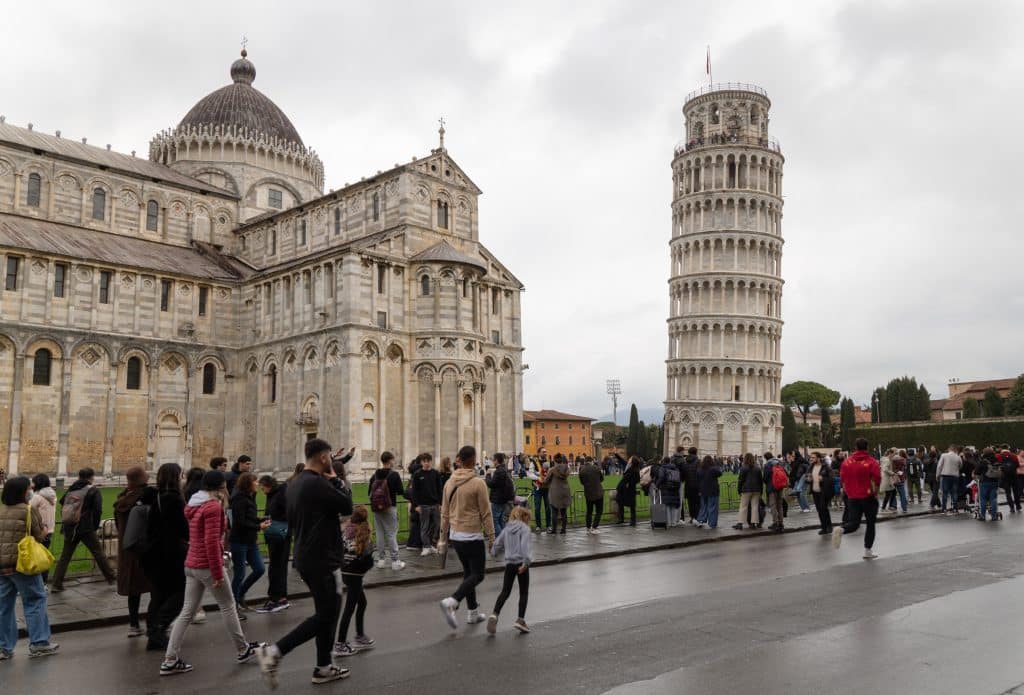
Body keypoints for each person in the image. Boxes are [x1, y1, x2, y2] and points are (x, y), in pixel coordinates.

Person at [257, 438, 354, 687]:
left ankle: (323, 667)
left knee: (327, 612)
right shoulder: (316, 483)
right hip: (322, 557)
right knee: (326, 615)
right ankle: (275, 652)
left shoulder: (296, 483)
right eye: (330, 457)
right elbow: (346, 505)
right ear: (323, 457)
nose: (331, 461)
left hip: (306, 554)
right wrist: (334, 478)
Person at [160, 470, 263, 676]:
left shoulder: (194, 504)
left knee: (187, 611)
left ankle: (170, 659)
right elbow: (210, 541)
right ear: (220, 487)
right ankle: (242, 649)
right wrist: (217, 573)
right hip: (206, 565)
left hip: (191, 563)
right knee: (228, 606)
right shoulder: (213, 507)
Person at [0, 475, 59, 660]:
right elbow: (39, 536)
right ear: (22, 492)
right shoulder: (28, 510)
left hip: (2, 566)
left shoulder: (1, 511)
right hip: (22, 564)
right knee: (35, 600)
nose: (29, 492)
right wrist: (42, 530)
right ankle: (39, 643)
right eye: (27, 489)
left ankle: (4, 647)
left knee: (4, 607)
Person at [438, 445, 495, 630]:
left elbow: (444, 513)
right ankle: (453, 601)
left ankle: (472, 612)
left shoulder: (449, 482)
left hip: (455, 535)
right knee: (478, 575)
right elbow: (486, 513)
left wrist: (443, 537)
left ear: (460, 460)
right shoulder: (478, 483)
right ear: (473, 460)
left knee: (468, 573)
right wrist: (492, 537)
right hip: (471, 534)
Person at [140, 463, 187, 652]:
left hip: (154, 553)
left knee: (159, 594)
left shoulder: (157, 497)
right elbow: (183, 529)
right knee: (180, 593)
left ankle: (153, 635)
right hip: (171, 554)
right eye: (180, 475)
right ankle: (159, 629)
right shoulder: (175, 500)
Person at [50, 468, 116, 592]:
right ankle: (111, 577)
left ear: (79, 477)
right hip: (86, 528)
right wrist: (95, 526)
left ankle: (56, 584)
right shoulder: (93, 490)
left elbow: (63, 502)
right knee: (98, 552)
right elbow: (97, 510)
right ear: (91, 477)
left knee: (65, 556)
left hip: (70, 526)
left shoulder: (72, 489)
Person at [113, 466, 152, 638]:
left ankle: (134, 624)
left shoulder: (122, 500)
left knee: (133, 590)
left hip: (127, 549)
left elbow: (116, 524)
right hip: (146, 548)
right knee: (155, 587)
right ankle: (154, 623)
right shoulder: (148, 497)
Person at [332, 505, 375, 658]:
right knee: (349, 609)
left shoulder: (346, 530)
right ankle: (340, 643)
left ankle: (360, 635)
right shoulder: (364, 532)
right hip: (355, 574)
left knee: (362, 603)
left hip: (345, 571)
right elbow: (367, 558)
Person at [832, 438, 881, 560]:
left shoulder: (847, 462)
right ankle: (867, 551)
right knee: (870, 524)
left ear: (855, 447)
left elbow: (842, 477)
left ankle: (841, 529)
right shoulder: (872, 461)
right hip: (868, 496)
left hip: (852, 496)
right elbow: (877, 477)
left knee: (854, 523)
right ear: (867, 447)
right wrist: (875, 490)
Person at [487, 505, 533, 635]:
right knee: (523, 592)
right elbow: (525, 547)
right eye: (528, 518)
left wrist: (493, 552)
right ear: (524, 517)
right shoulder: (525, 529)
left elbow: (497, 544)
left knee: (505, 592)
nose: (529, 520)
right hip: (521, 564)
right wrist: (526, 562)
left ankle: (495, 614)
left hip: (509, 564)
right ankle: (520, 619)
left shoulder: (507, 529)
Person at [229, 472, 267, 618]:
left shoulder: (249, 497)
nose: (257, 484)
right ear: (248, 483)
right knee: (239, 574)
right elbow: (239, 522)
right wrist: (259, 527)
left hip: (250, 541)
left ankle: (240, 594)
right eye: (255, 481)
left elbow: (248, 517)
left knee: (259, 568)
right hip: (239, 541)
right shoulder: (239, 499)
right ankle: (233, 605)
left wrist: (260, 519)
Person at [256, 475, 290, 614]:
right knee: (277, 566)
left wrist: (276, 521)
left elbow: (289, 512)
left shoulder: (280, 494)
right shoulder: (274, 494)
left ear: (268, 485)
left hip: (280, 535)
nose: (261, 490)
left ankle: (276, 599)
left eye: (262, 487)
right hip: (275, 535)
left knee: (276, 567)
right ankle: (280, 598)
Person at [369, 452, 405, 571]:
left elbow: (369, 492)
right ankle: (395, 561)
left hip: (376, 508)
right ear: (390, 461)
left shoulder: (375, 475)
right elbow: (400, 491)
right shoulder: (394, 475)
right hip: (390, 507)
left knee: (379, 533)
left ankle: (381, 560)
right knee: (391, 533)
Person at [28, 474, 55, 584]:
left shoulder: (38, 497)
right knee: (43, 558)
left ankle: (35, 583)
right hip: (49, 530)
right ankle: (43, 583)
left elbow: (28, 508)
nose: (32, 485)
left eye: (33, 482)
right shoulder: (52, 495)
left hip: (39, 531)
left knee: (34, 559)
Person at [486, 453, 516, 538]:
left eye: (493, 460)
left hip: (497, 500)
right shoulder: (504, 469)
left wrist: (487, 475)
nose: (493, 461)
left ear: (496, 461)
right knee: (501, 520)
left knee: (495, 520)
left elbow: (491, 484)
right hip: (503, 499)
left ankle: (501, 539)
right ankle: (505, 538)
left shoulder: (499, 471)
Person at [734, 453, 764, 530]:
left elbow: (740, 480)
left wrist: (739, 490)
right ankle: (753, 523)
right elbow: (761, 481)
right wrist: (761, 491)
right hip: (756, 490)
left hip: (746, 489)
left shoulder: (743, 468)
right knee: (754, 507)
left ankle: (740, 523)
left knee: (743, 506)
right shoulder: (757, 468)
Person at [807, 451, 834, 534]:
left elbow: (831, 479)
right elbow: (807, 476)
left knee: (823, 508)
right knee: (819, 510)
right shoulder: (811, 467)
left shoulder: (825, 467)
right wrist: (808, 480)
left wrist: (823, 479)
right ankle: (824, 527)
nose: (811, 459)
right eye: (811, 457)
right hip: (815, 491)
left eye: (813, 457)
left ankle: (829, 526)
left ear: (818, 458)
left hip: (824, 492)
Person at [578, 456, 605, 534]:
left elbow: (582, 482)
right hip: (598, 492)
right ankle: (594, 527)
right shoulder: (596, 468)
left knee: (589, 511)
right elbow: (602, 479)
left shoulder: (582, 470)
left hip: (588, 493)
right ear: (591, 461)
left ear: (585, 461)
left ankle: (588, 527)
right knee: (599, 511)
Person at [655, 455, 683, 526]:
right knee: (673, 505)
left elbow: (661, 477)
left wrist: (657, 485)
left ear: (663, 461)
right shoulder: (675, 468)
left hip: (666, 488)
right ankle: (674, 522)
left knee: (667, 505)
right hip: (675, 488)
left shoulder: (662, 468)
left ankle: (668, 522)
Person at [546, 455, 571, 535]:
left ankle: (554, 530)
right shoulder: (567, 468)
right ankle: (563, 529)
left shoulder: (552, 470)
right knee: (564, 511)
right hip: (565, 490)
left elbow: (546, 480)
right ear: (562, 461)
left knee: (554, 511)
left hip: (555, 491)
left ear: (555, 461)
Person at [696, 455, 722, 529]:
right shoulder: (713, 469)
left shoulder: (699, 470)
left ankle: (701, 520)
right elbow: (720, 473)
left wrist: (699, 490)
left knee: (703, 506)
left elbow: (698, 481)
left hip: (703, 490)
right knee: (713, 507)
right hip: (713, 491)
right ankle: (712, 523)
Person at [527, 451, 551, 532]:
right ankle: (538, 526)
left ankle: (548, 525)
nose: (545, 453)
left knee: (548, 507)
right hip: (537, 487)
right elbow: (530, 474)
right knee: (537, 508)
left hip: (547, 487)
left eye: (545, 452)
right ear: (539, 453)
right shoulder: (534, 462)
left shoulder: (548, 461)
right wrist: (538, 478)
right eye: (543, 452)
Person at [763, 453, 787, 532]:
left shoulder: (767, 465)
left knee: (773, 505)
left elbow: (765, 477)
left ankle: (775, 523)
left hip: (772, 487)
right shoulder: (780, 462)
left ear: (766, 458)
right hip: (780, 486)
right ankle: (781, 523)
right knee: (779, 505)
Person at [936, 444, 962, 515]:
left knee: (945, 493)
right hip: (955, 476)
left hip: (946, 476)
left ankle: (944, 509)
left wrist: (937, 475)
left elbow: (939, 466)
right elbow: (960, 465)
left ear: (949, 449)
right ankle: (955, 509)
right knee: (954, 493)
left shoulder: (944, 455)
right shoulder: (958, 457)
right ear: (955, 450)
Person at [616, 456, 641, 526]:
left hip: (630, 489)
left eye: (630, 459)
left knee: (632, 506)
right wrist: (616, 454)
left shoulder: (635, 470)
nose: (629, 459)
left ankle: (633, 521)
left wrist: (629, 483)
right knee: (620, 503)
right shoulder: (628, 466)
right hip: (623, 488)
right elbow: (622, 460)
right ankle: (621, 519)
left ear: (632, 461)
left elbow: (637, 479)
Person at [680, 447, 702, 524]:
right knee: (697, 502)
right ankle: (697, 518)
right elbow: (700, 473)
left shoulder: (685, 462)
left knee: (691, 502)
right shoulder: (698, 461)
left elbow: (683, 474)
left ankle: (692, 517)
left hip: (688, 485)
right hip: (697, 485)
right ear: (696, 452)